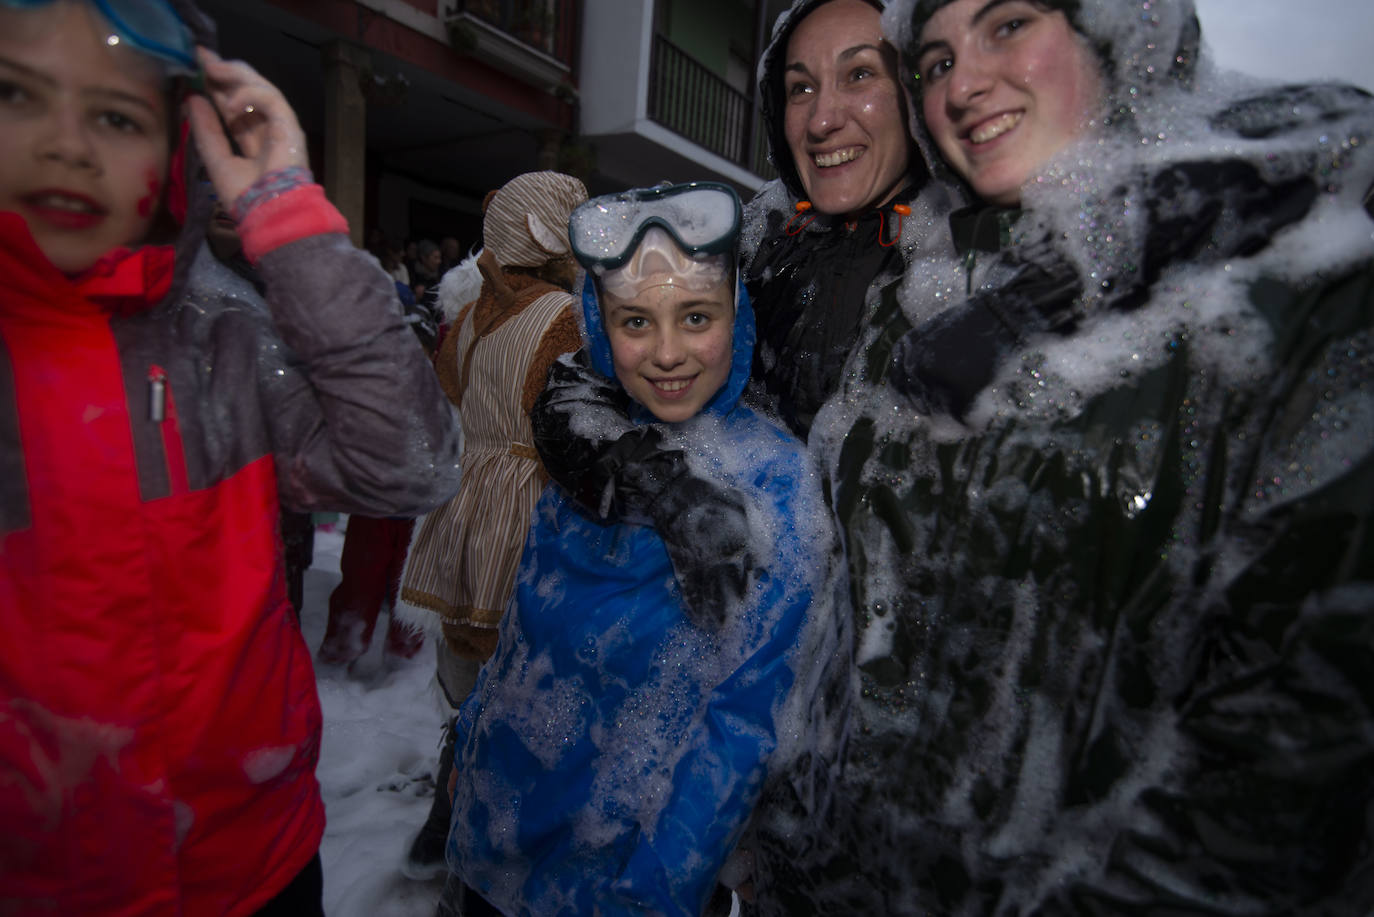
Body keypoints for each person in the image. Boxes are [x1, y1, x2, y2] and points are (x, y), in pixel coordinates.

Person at [743, 0, 1374, 913]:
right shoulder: (916, 295)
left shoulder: (1279, 288)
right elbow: (850, 623)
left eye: (1006, 25)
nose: (964, 83)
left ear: (1116, 30)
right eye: (935, 58)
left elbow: (1295, 743)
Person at [0, 1, 463, 913]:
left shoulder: (225, 340)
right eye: (18, 96)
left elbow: (408, 463)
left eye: (116, 115)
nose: (66, 145)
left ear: (179, 150)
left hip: (253, 862)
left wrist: (289, 216)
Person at [441, 182, 848, 917]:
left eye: (696, 316)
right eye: (636, 320)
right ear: (599, 323)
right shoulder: (595, 445)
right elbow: (524, 629)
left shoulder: (772, 484)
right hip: (491, 843)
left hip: (613, 885)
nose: (666, 354)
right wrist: (469, 743)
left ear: (737, 315)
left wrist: (654, 893)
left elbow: (741, 730)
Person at [396, 170, 588, 881]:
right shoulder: (564, 316)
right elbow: (573, 421)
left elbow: (450, 383)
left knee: (470, 666)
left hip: (468, 498)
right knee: (522, 673)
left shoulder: (475, 313)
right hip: (526, 508)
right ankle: (493, 831)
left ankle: (448, 815)